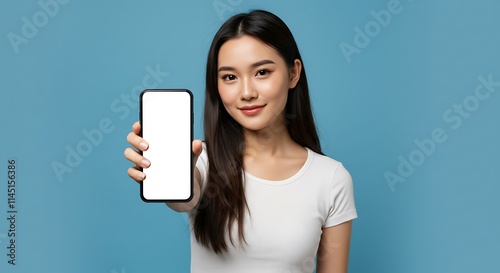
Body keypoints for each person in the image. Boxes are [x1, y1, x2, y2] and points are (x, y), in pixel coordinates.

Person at [124, 9, 357, 273]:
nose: (246, 93)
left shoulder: (331, 179)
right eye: (230, 77)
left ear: (293, 73)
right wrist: (171, 176)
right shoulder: (202, 162)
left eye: (262, 72)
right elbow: (184, 200)